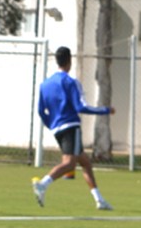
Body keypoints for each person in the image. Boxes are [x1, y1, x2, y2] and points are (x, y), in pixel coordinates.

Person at [32, 45, 113, 211]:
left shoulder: (45, 84)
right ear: (69, 61)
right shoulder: (70, 82)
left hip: (57, 129)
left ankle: (99, 200)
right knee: (69, 164)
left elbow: (41, 111)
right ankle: (43, 184)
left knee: (85, 162)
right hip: (71, 126)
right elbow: (80, 107)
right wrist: (105, 110)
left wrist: (52, 124)